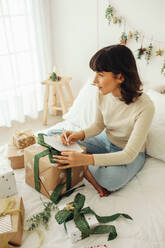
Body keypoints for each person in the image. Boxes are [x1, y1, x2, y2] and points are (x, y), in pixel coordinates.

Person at [50, 44, 155, 197]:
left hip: (129, 153)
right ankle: (85, 166)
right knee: (56, 134)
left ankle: (85, 168)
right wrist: (78, 135)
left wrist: (85, 159)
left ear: (120, 77)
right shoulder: (102, 93)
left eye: (100, 74)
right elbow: (98, 125)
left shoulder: (145, 107)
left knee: (111, 180)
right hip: (106, 140)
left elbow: (128, 155)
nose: (94, 81)